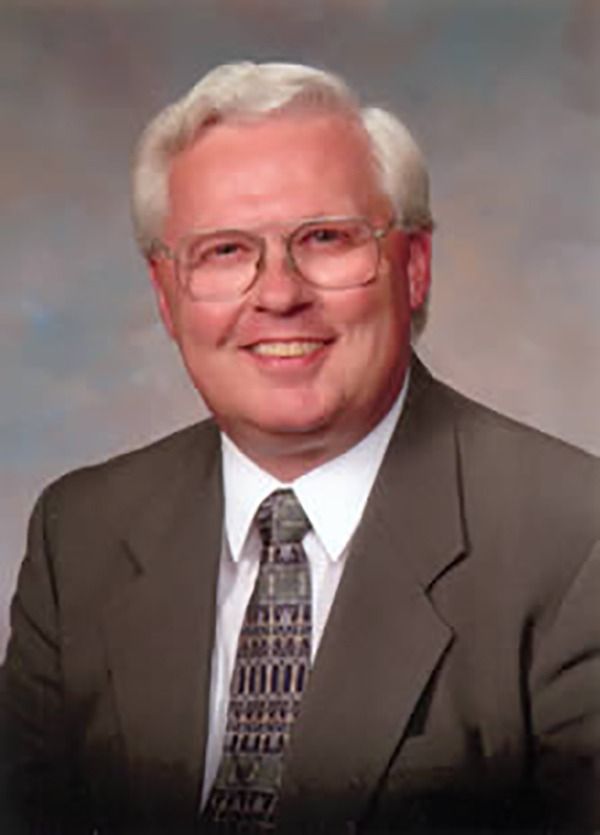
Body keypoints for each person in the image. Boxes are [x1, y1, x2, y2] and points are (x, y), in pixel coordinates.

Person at [2, 60, 599, 834]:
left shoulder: (575, 537)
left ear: (412, 267)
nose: (279, 293)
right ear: (165, 293)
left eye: (325, 238)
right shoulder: (78, 531)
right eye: (224, 251)